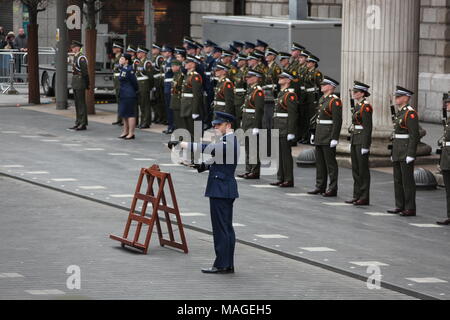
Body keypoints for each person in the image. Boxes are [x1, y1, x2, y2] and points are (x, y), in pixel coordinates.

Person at [169, 111, 239, 274]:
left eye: (219, 125)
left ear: (228, 125)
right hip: (224, 188)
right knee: (226, 228)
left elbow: (208, 148)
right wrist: (203, 166)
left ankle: (222, 264)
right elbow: (218, 159)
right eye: (214, 124)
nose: (215, 127)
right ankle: (227, 263)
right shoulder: (227, 140)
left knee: (221, 229)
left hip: (221, 190)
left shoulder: (228, 141)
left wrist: (182, 144)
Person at [387, 86, 420, 217]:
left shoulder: (410, 113)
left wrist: (411, 153)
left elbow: (414, 135)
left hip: (405, 150)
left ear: (406, 98)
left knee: (407, 181)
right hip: (397, 149)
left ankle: (410, 207)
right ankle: (399, 205)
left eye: (399, 97)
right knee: (398, 180)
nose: (396, 99)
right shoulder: (400, 112)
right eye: (396, 96)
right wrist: (392, 152)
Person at [308, 76, 342, 197]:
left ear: (331, 87)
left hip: (328, 135)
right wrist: (314, 133)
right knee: (320, 163)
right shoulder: (323, 99)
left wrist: (334, 138)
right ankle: (320, 186)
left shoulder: (334, 101)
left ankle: (332, 188)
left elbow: (337, 121)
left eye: (324, 84)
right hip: (320, 133)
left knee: (330, 164)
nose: (322, 86)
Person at [346, 81, 373, 206]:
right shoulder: (358, 106)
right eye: (353, 91)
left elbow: (367, 128)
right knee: (356, 170)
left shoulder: (365, 107)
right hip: (355, 139)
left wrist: (365, 146)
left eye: (356, 92)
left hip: (361, 140)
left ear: (362, 93)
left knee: (363, 170)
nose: (353, 93)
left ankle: (364, 196)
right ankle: (356, 195)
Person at [270, 70, 298, 188]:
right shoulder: (281, 93)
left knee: (286, 155)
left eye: (283, 78)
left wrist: (291, 132)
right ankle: (280, 177)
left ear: (288, 80)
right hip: (278, 127)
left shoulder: (290, 95)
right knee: (279, 154)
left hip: (285, 128)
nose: (280, 79)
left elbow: (292, 114)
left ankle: (288, 179)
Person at [238, 69, 265, 180]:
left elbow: (259, 110)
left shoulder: (257, 91)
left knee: (253, 147)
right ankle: (248, 170)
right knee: (248, 148)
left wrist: (256, 126)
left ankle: (254, 171)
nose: (247, 79)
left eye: (249, 77)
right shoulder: (251, 90)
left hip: (252, 122)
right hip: (247, 121)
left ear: (256, 78)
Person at [180, 55, 203, 136]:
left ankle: (194, 146)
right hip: (186, 105)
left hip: (191, 106)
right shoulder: (188, 75)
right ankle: (189, 146)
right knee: (187, 129)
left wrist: (195, 111)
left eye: (187, 62)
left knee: (193, 130)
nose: (185, 64)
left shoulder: (195, 76)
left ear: (193, 64)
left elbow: (197, 95)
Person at [68, 40, 89, 131]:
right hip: (76, 81)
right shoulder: (75, 57)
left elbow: (85, 72)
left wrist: (87, 83)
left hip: (80, 81)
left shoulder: (81, 58)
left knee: (81, 103)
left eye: (73, 47)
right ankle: (78, 121)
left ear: (77, 48)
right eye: (72, 47)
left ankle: (83, 123)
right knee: (77, 103)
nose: (72, 49)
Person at [117, 53, 139, 140]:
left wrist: (133, 91)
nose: (120, 60)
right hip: (123, 94)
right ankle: (125, 131)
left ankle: (131, 133)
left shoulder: (130, 69)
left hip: (129, 94)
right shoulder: (123, 69)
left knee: (130, 114)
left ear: (127, 60)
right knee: (124, 113)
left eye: (122, 59)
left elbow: (134, 82)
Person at [437, 94, 450, 225]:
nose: (447, 105)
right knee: (448, 189)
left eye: (448, 103)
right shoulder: (448, 120)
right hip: (447, 157)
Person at [135, 46, 154, 129]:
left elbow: (150, 77)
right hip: (140, 85)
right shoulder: (140, 62)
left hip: (144, 85)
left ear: (143, 53)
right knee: (142, 104)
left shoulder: (147, 63)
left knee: (145, 105)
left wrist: (150, 86)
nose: (137, 54)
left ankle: (146, 122)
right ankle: (142, 121)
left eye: (139, 52)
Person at [151, 43, 166, 124]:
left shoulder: (159, 58)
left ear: (158, 50)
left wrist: (160, 82)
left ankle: (162, 117)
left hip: (159, 81)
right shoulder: (154, 58)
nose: (152, 50)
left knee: (160, 100)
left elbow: (162, 72)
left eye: (154, 48)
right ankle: (158, 116)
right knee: (155, 100)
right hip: (155, 81)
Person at [111, 42, 124, 126]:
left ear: (119, 49)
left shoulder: (122, 58)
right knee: (118, 101)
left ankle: (122, 119)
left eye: (115, 47)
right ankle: (119, 119)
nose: (113, 49)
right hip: (116, 81)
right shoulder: (116, 58)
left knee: (121, 100)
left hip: (119, 80)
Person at [170, 59, 184, 131]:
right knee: (176, 119)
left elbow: (178, 87)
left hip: (178, 99)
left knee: (179, 119)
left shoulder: (180, 75)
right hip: (175, 99)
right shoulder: (176, 75)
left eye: (173, 66)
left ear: (178, 67)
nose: (171, 68)